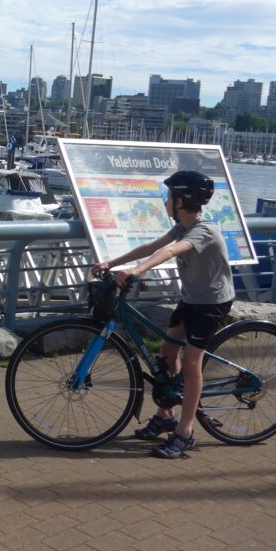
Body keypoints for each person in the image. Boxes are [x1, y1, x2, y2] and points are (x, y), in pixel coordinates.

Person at [91, 170, 234, 459]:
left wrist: (137, 270)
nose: (166, 201)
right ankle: (166, 415)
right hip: (191, 298)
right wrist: (112, 262)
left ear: (179, 201)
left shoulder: (202, 230)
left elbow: (169, 252)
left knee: (192, 362)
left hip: (212, 302)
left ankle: (185, 432)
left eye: (169, 197)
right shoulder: (181, 226)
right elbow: (153, 246)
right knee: (168, 351)